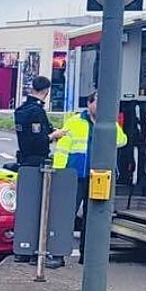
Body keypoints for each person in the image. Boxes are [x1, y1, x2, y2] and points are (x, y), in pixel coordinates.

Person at [53, 92, 128, 265]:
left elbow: (122, 140)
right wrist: (60, 173)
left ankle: (86, 255)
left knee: (92, 217)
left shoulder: (108, 123)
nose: (101, 108)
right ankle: (58, 254)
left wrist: (113, 125)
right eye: (98, 103)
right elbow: (61, 150)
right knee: (66, 216)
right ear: (89, 104)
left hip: (98, 177)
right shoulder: (75, 122)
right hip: (75, 176)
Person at [12, 76, 64, 264]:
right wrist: (54, 135)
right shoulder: (36, 112)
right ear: (46, 91)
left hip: (24, 162)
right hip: (37, 163)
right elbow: (38, 140)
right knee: (39, 207)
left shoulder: (20, 110)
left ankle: (22, 249)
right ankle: (35, 251)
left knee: (25, 207)